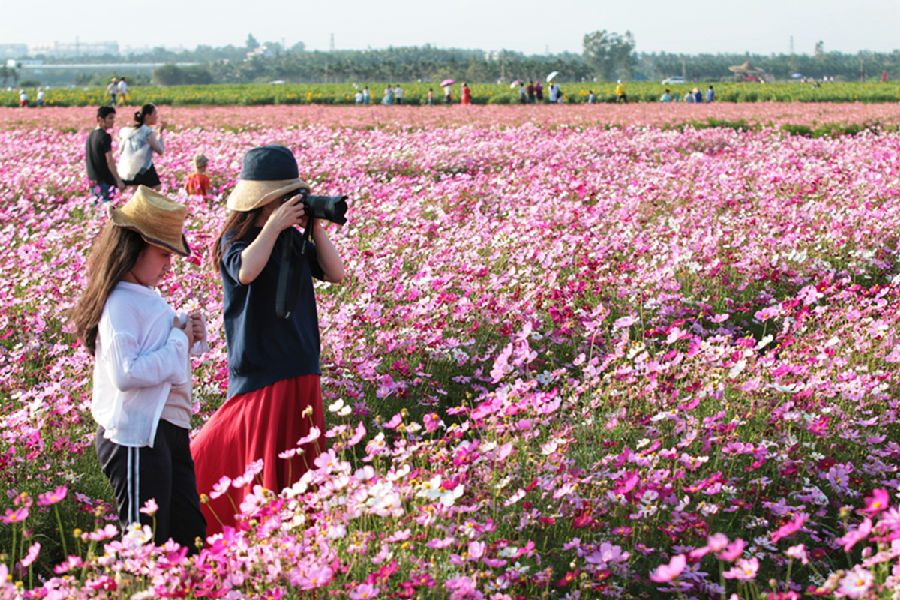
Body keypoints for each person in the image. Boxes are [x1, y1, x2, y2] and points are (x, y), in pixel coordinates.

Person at [191, 145, 345, 536]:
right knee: (253, 462)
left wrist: (315, 226)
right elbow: (245, 272)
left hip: (300, 364)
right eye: (285, 199)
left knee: (297, 469)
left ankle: (296, 540)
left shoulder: (291, 239)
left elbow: (336, 273)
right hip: (261, 370)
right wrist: (275, 227)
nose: (293, 205)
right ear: (263, 202)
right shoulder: (234, 240)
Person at [70, 186, 207, 552]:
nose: (168, 263)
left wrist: (184, 333)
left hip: (165, 431)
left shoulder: (143, 295)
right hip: (136, 438)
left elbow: (162, 364)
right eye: (163, 253)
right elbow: (127, 373)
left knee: (188, 537)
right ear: (134, 247)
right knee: (146, 544)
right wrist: (179, 340)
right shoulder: (118, 303)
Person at [117, 104, 166, 191]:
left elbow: (120, 151)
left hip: (126, 169)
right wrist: (160, 132)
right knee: (157, 188)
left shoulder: (128, 131)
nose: (157, 117)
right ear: (147, 116)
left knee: (132, 192)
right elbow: (160, 150)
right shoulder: (147, 132)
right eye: (155, 114)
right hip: (143, 168)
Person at [86, 106, 125, 204]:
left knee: (98, 213)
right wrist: (118, 180)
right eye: (110, 118)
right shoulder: (105, 136)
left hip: (93, 181)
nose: (113, 121)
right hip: (105, 182)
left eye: (113, 118)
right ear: (100, 119)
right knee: (108, 213)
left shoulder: (90, 135)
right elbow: (109, 160)